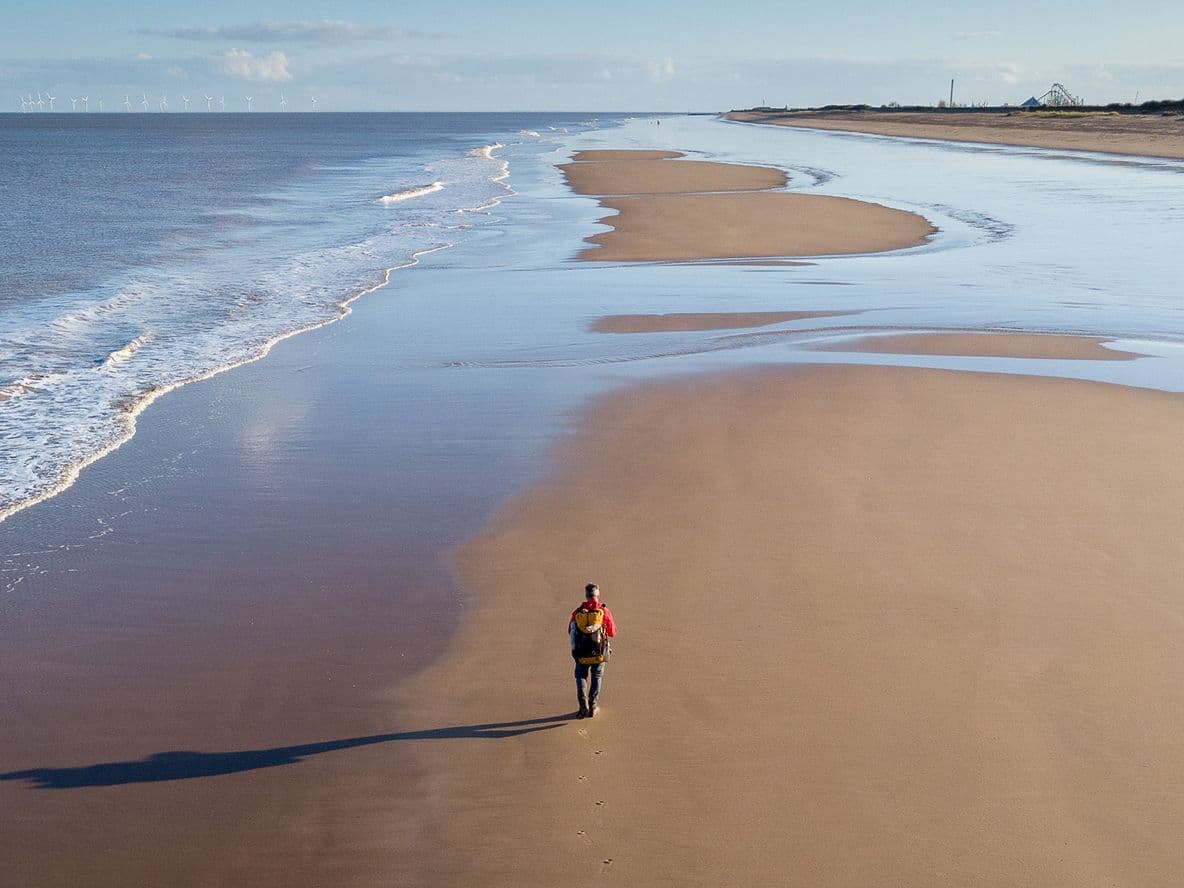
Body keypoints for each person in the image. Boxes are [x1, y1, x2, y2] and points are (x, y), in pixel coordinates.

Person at [569, 583, 617, 718]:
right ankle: (593, 705)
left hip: (582, 654)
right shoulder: (604, 611)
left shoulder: (578, 612)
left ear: (586, 595)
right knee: (596, 677)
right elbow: (612, 632)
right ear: (597, 595)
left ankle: (582, 703)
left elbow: (570, 631)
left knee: (580, 676)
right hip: (599, 655)